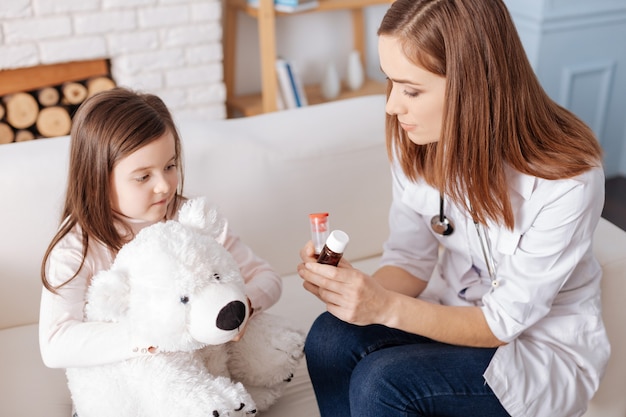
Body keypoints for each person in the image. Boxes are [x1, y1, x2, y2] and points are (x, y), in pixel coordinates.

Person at [297, 1, 609, 416]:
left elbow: (503, 323)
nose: (392, 105)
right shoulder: (413, 138)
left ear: (474, 84)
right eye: (390, 82)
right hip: (450, 314)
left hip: (537, 351)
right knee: (330, 336)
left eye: (410, 89)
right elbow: (410, 261)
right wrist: (354, 289)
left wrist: (384, 307)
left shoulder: (568, 179)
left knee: (383, 382)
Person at [39, 87, 282, 369]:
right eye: (143, 177)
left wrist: (243, 306)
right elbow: (55, 344)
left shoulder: (190, 220)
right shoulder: (76, 249)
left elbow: (267, 277)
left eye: (170, 166)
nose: (164, 185)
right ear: (97, 179)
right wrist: (158, 332)